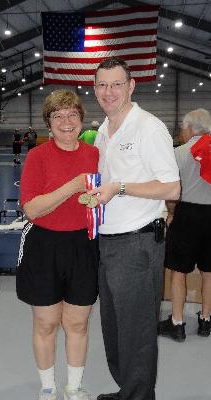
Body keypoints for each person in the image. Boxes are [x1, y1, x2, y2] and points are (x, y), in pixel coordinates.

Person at [89, 57, 180, 400]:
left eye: (116, 84)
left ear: (131, 86)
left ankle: (138, 396)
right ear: (95, 88)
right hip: (108, 242)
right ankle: (128, 390)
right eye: (102, 85)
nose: (108, 92)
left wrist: (120, 187)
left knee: (137, 332)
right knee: (114, 328)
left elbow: (172, 188)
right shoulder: (102, 131)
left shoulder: (148, 127)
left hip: (138, 243)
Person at [16, 90, 99, 400]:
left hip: (82, 245)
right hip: (44, 244)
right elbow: (33, 209)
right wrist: (73, 186)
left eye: (72, 115)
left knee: (77, 323)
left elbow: (104, 194)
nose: (66, 121)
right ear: (48, 123)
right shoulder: (38, 156)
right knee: (47, 323)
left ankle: (74, 388)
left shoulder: (94, 154)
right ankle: (48, 389)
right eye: (58, 116)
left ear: (81, 119)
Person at [158, 109, 211, 342]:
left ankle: (177, 323)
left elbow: (171, 192)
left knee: (178, 271)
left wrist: (170, 214)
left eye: (182, 127)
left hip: (187, 215)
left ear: (190, 128)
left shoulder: (179, 153)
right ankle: (206, 321)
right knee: (210, 273)